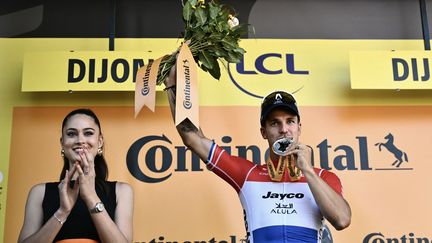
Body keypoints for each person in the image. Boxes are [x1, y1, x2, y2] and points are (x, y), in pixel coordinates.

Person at [164, 67, 351, 242]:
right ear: (264, 132)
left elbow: (342, 220)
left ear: (299, 128)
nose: (284, 130)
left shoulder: (323, 177)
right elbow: (192, 138)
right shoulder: (247, 174)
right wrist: (174, 87)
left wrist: (307, 170)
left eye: (290, 121)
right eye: (274, 123)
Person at [18, 109, 133, 243]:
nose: (80, 140)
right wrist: (62, 212)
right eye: (72, 134)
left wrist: (91, 197)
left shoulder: (122, 191)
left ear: (100, 141)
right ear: (62, 142)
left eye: (88, 133)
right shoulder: (39, 192)